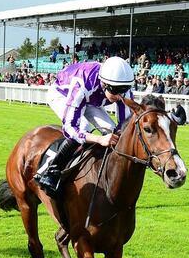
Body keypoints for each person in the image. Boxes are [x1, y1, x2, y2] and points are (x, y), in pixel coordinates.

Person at [35, 56, 134, 195]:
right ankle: (52, 171)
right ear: (104, 84)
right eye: (115, 91)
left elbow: (125, 124)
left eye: (123, 90)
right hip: (63, 94)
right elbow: (70, 128)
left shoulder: (121, 85)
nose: (119, 96)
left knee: (113, 131)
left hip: (92, 100)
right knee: (83, 127)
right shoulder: (82, 83)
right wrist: (99, 139)